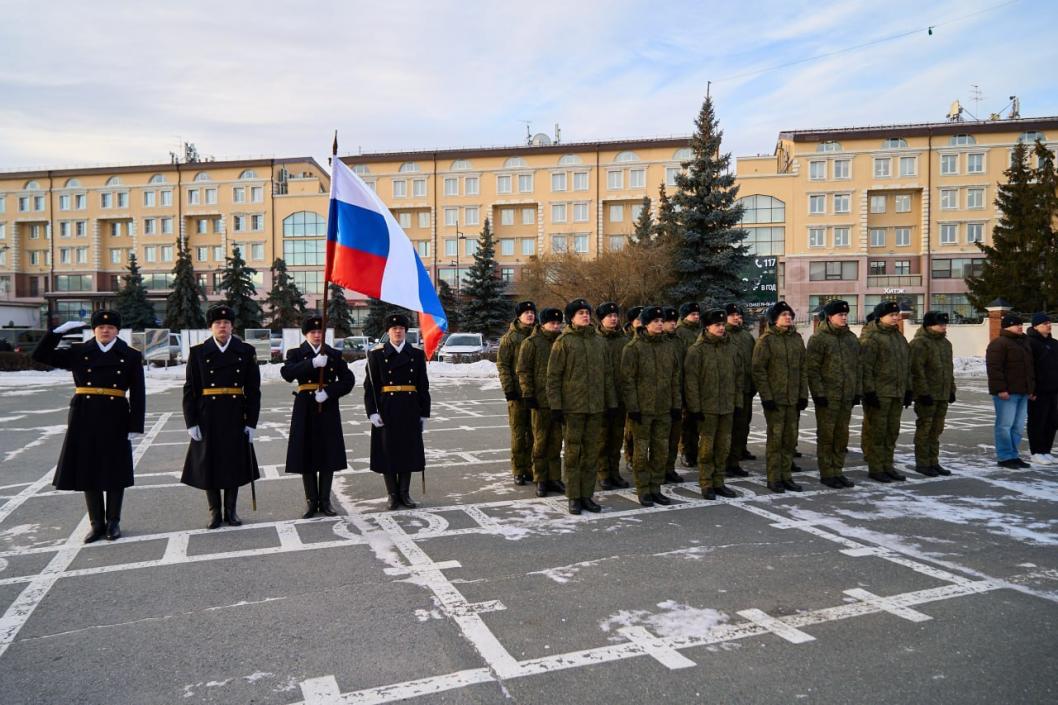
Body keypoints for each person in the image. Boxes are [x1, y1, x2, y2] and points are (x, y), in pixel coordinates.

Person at [33, 311, 144, 542]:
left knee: (114, 470)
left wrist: (136, 424)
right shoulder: (79, 351)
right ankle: (97, 523)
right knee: (88, 468)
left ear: (117, 330)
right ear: (94, 330)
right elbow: (40, 356)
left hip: (116, 415)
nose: (105, 330)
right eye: (101, 326)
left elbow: (139, 393)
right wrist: (56, 333)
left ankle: (114, 522)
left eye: (111, 327)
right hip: (84, 414)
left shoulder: (131, 355)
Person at [182, 304, 262, 528]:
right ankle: (215, 512)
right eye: (218, 323)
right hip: (207, 415)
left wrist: (251, 422)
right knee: (210, 464)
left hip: (235, 414)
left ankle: (232, 511)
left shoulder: (246, 351)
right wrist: (191, 421)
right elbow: (190, 389)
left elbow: (253, 390)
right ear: (211, 327)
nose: (222, 326)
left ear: (232, 326)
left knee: (232, 463)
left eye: (226, 323)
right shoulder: (198, 352)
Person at [280, 314, 356, 518]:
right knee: (307, 454)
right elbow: (287, 373)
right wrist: (312, 364)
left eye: (319, 332)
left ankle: (325, 500)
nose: (316, 335)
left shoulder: (333, 354)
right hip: (305, 407)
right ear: (305, 334)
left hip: (327, 407)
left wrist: (330, 392)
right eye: (312, 332)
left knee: (327, 454)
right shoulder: (296, 353)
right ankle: (311, 501)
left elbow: (348, 380)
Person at [546, 299, 615, 514]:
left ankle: (587, 495)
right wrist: (556, 407)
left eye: (587, 312)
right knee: (574, 454)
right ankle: (574, 497)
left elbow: (607, 375)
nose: (585, 316)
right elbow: (553, 377)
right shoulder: (563, 342)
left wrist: (611, 403)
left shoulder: (599, 341)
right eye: (581, 313)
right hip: (573, 408)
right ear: (571, 317)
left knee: (591, 453)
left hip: (595, 407)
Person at [365, 313, 431, 508]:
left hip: (410, 407)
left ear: (406, 331)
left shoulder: (417, 355)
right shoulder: (376, 355)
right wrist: (372, 412)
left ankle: (405, 493)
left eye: (401, 328)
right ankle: (392, 494)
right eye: (394, 329)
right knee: (388, 451)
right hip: (387, 407)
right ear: (388, 332)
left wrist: (424, 413)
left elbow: (423, 386)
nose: (398, 331)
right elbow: (370, 387)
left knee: (407, 451)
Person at [622, 306, 681, 506]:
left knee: (660, 450)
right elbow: (627, 381)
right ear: (646, 324)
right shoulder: (633, 348)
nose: (659, 324)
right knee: (640, 451)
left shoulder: (668, 346)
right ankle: (643, 489)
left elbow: (674, 377)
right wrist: (633, 408)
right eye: (654, 321)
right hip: (642, 410)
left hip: (663, 407)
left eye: (660, 320)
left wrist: (675, 404)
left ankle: (656, 487)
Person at [684, 309, 742, 499]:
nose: (721, 328)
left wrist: (738, 402)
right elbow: (691, 381)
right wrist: (695, 408)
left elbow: (738, 376)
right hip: (707, 408)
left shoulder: (731, 348)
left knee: (723, 446)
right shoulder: (697, 350)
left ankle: (719, 481)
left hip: (726, 406)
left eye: (722, 324)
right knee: (707, 448)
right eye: (717, 325)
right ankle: (706, 483)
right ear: (707, 327)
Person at [752, 301, 808, 493]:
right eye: (784, 315)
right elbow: (758, 370)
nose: (788, 318)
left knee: (790, 439)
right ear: (774, 319)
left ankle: (787, 476)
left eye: (790, 315)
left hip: (792, 399)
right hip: (775, 399)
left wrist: (802, 394)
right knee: (776, 440)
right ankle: (774, 477)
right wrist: (766, 396)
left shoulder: (797, 339)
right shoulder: (766, 340)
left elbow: (803, 368)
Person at [805, 300, 861, 489]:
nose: (844, 317)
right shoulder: (819, 338)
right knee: (827, 436)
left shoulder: (851, 338)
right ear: (830, 317)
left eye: (846, 314)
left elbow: (857, 367)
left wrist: (857, 391)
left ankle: (838, 470)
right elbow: (812, 369)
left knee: (842, 436)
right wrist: (818, 394)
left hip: (846, 396)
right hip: (828, 397)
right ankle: (827, 472)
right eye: (840, 315)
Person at [859, 301, 912, 483]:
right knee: (877, 433)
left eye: (897, 314)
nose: (896, 317)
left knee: (892, 432)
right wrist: (869, 392)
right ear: (881, 317)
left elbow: (906, 366)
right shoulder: (872, 338)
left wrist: (908, 390)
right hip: (879, 394)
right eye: (892, 315)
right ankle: (876, 468)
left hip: (896, 393)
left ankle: (888, 466)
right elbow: (865, 368)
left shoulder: (898, 337)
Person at [517, 307, 565, 497]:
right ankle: (540, 479)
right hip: (539, 400)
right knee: (540, 442)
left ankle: (555, 478)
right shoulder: (532, 343)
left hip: (559, 401)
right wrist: (528, 394)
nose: (555, 326)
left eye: (558, 323)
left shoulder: (563, 342)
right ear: (543, 323)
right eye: (552, 323)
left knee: (556, 442)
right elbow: (523, 371)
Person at [909, 311, 956, 477]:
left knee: (936, 430)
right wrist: (922, 392)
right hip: (927, 395)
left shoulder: (946, 344)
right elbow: (916, 370)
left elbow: (949, 370)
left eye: (945, 324)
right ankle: (922, 462)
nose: (944, 327)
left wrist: (951, 389)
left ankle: (933, 461)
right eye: (940, 324)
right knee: (925, 428)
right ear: (929, 325)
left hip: (942, 394)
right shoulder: (919, 343)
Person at [986, 313, 1035, 468]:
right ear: (1007, 326)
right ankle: (1005, 457)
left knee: (1018, 426)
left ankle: (1013, 455)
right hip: (1007, 393)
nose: (1020, 327)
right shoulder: (998, 344)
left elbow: (1030, 369)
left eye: (1021, 324)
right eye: (1016, 324)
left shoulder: (1023, 343)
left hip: (1023, 392)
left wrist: (1031, 389)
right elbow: (994, 369)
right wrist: (1000, 389)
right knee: (1004, 425)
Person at [498, 301, 536, 485]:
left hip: (537, 394)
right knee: (520, 433)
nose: (530, 315)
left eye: (532, 312)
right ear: (519, 316)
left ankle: (533, 468)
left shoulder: (539, 335)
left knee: (536, 433)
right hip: (517, 394)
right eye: (526, 312)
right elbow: (503, 365)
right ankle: (519, 469)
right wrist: (509, 390)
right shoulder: (510, 338)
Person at [595, 301, 631, 490]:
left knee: (616, 438)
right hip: (600, 399)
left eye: (615, 315)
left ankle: (614, 472)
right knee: (601, 438)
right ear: (601, 320)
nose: (613, 318)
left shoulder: (624, 340)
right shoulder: (595, 339)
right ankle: (602, 473)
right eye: (609, 316)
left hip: (620, 397)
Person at [724, 303, 757, 476]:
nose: (737, 318)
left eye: (739, 315)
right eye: (733, 315)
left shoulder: (746, 337)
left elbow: (754, 363)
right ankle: (725, 461)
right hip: (728, 392)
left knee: (742, 426)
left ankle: (736, 459)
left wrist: (753, 385)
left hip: (745, 390)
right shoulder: (723, 335)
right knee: (727, 429)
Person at [1025, 312, 1058, 465]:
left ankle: (1046, 450)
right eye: (1045, 323)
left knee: (1052, 421)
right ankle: (1036, 452)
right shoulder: (1030, 343)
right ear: (1036, 326)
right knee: (1038, 421)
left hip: (1054, 389)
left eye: (1049, 323)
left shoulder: (1054, 343)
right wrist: (1031, 389)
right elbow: (1028, 368)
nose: (1048, 325)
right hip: (1038, 390)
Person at [661, 306, 686, 483]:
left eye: (673, 321)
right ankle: (659, 469)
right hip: (660, 396)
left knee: (674, 436)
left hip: (677, 394)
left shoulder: (678, 341)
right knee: (660, 438)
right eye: (668, 321)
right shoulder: (658, 342)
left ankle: (669, 467)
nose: (672, 324)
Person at [675, 302, 702, 468]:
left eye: (697, 314)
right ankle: (686, 451)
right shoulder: (680, 332)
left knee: (697, 420)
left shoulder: (700, 330)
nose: (696, 316)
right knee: (687, 421)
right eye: (693, 314)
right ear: (685, 316)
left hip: (699, 381)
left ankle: (695, 451)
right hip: (685, 380)